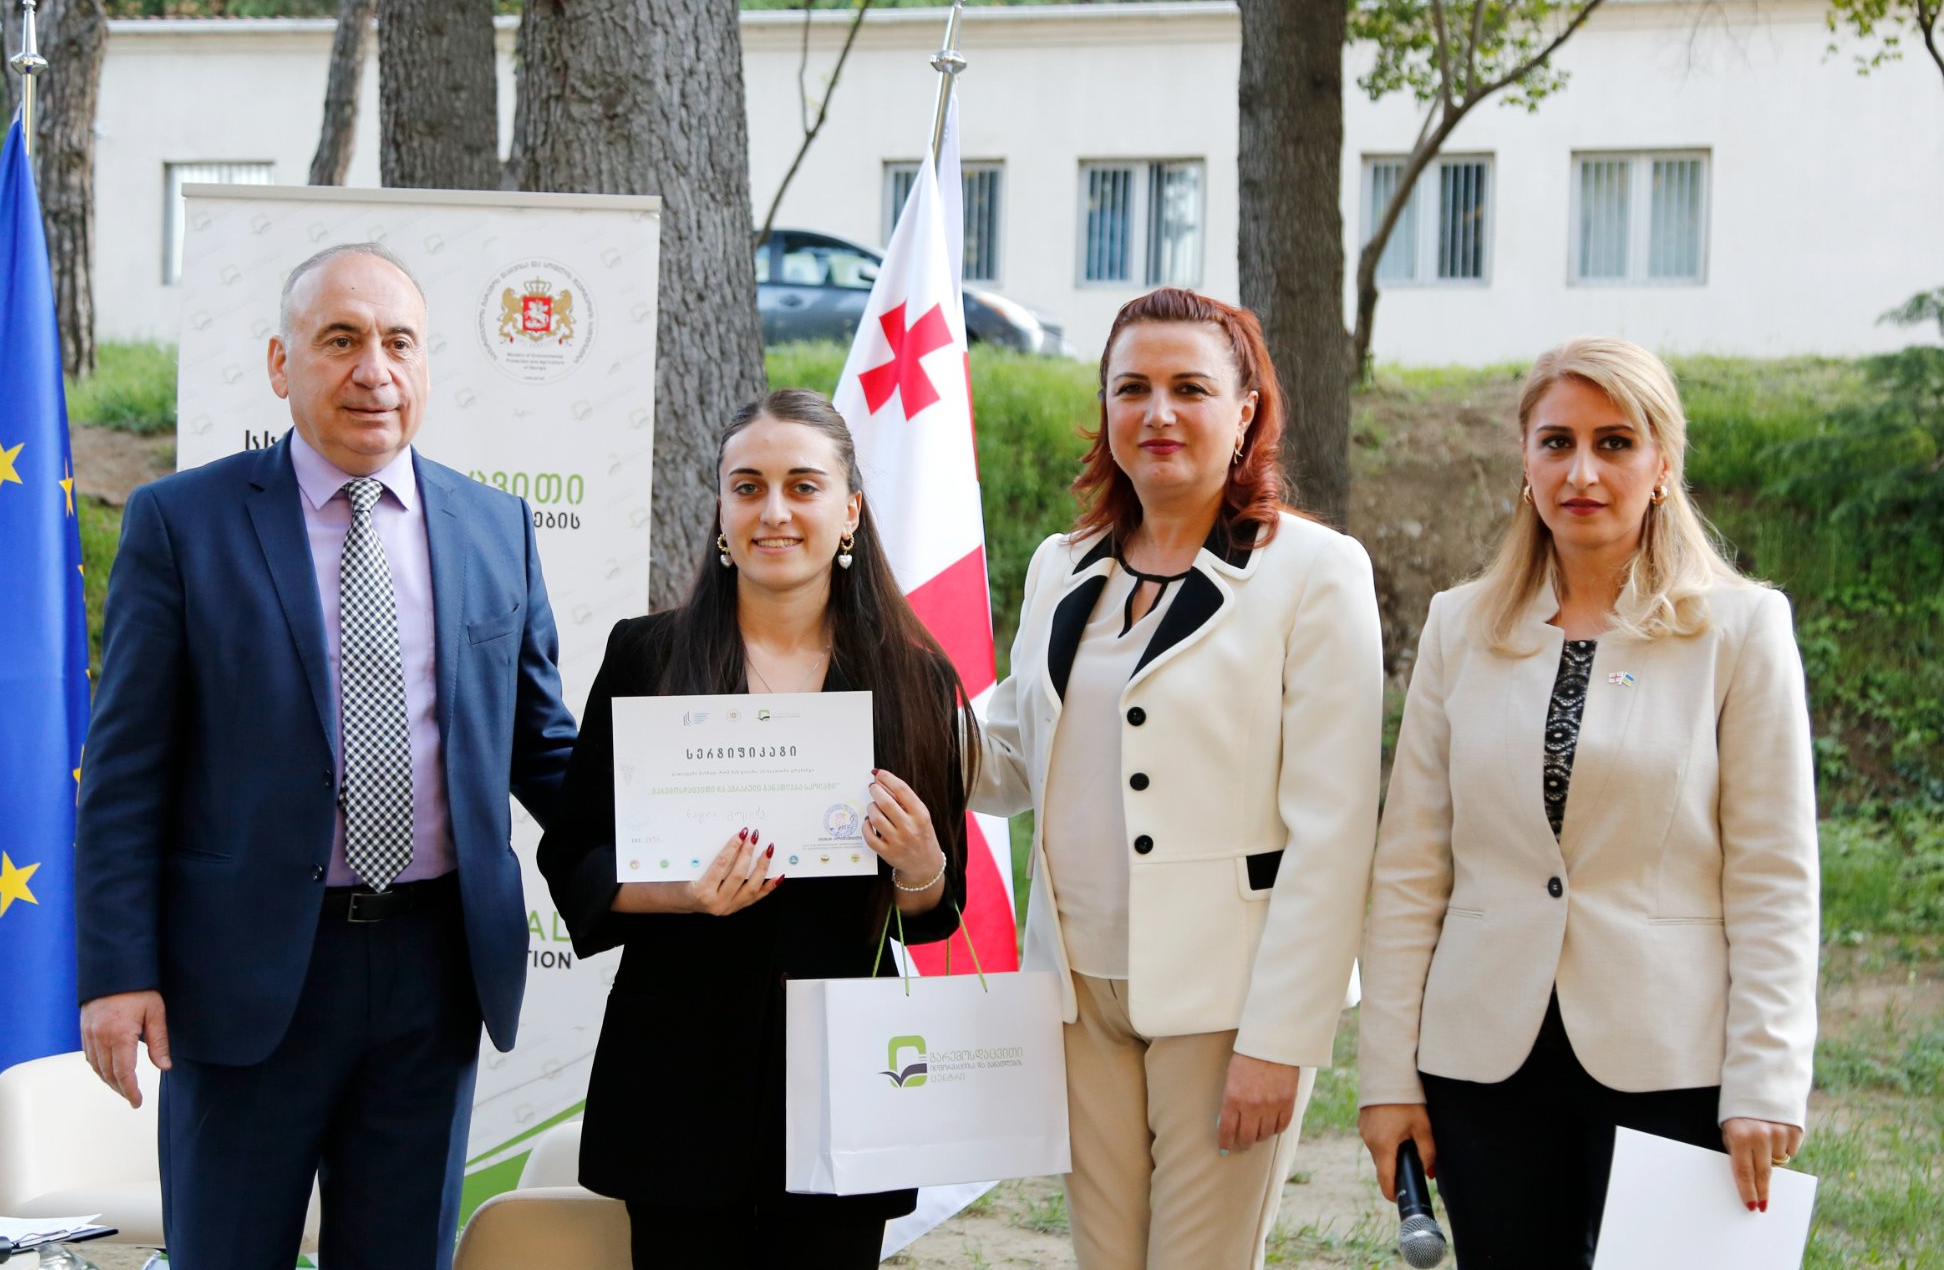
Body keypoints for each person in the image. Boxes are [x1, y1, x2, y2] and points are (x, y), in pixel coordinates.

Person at [75, 244, 577, 1270]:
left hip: (434, 972)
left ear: (426, 364)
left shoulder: (495, 527)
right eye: (340, 340)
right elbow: (126, 776)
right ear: (280, 362)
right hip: (245, 973)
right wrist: (117, 972)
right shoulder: (183, 523)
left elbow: (544, 751)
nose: (373, 371)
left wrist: (667, 847)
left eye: (399, 342)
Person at [1357, 337, 1819, 1267]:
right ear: (1525, 460)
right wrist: (1386, 1076)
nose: (1582, 472)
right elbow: (1409, 870)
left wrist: (1766, 1080)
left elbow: (1774, 878)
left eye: (1615, 443)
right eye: (1556, 442)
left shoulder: (1739, 629)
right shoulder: (1459, 625)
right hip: (1483, 1062)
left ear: (1662, 464)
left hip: (1672, 1061)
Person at [972, 287, 1383, 1268]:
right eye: (1132, 388)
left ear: (1245, 411)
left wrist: (1280, 1039)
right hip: (1077, 995)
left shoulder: (1314, 571)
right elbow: (1009, 756)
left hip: (1225, 1004)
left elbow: (1334, 834)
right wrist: (874, 709)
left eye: (1189, 388)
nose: (1157, 412)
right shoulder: (1062, 565)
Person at [537, 388, 978, 1269]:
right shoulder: (647, 657)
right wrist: (677, 893)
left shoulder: (914, 680)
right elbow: (572, 853)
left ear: (849, 512)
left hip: (845, 1074)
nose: (774, 511)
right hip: (677, 1070)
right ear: (721, 512)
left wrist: (922, 863)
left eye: (803, 486)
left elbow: (934, 912)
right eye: (748, 487)